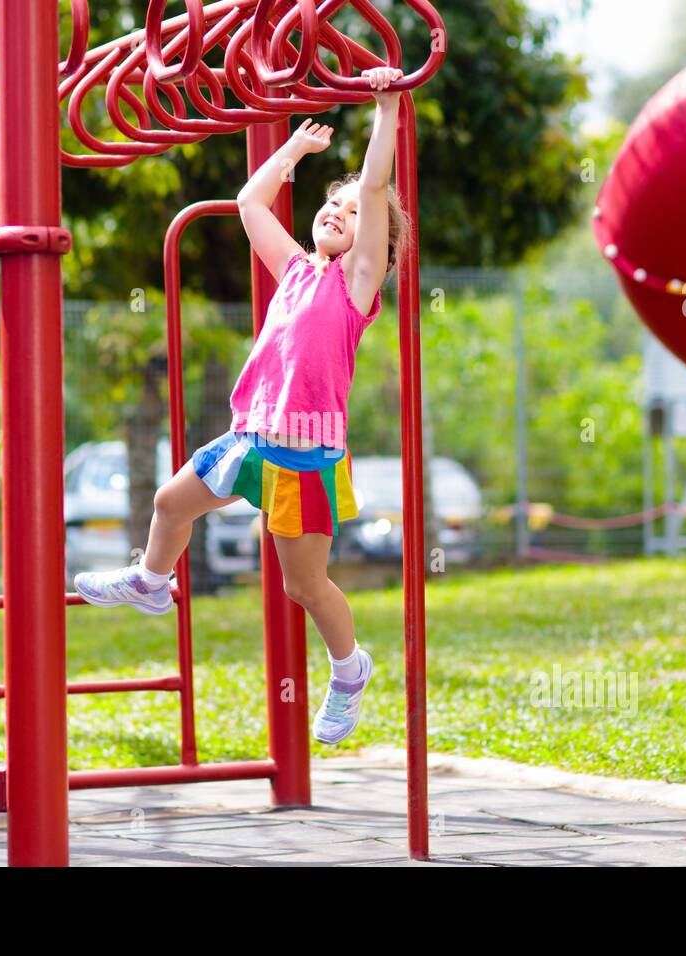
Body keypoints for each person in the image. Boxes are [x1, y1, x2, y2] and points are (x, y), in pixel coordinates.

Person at [74, 66, 409, 745]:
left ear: (377, 252)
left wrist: (387, 108)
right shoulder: (294, 271)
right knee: (171, 504)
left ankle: (349, 669)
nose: (336, 214)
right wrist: (290, 154)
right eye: (330, 206)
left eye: (351, 217)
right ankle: (149, 581)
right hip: (250, 437)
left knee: (304, 588)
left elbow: (375, 188)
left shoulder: (356, 289)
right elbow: (251, 204)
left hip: (305, 457)